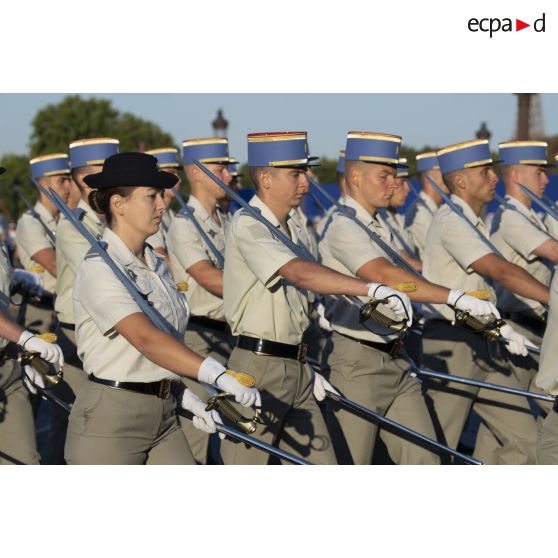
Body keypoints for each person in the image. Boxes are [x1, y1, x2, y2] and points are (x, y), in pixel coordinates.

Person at [220, 130, 412, 465]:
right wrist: (370, 288)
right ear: (265, 177)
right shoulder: (248, 224)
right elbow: (298, 273)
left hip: (299, 366)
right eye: (295, 174)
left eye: (305, 172)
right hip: (256, 367)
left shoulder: (297, 229)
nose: (306, 182)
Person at [65, 152, 260, 465]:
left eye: (161, 195)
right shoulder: (100, 268)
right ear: (119, 204)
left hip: (165, 412)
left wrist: (185, 397)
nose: (162, 204)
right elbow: (145, 339)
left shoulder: (156, 264)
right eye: (151, 196)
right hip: (112, 417)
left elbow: (168, 338)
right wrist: (216, 373)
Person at [318, 131, 498, 465]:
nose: (393, 183)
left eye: (393, 175)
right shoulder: (343, 226)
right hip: (357, 363)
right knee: (351, 463)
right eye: (384, 176)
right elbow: (387, 276)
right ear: (355, 177)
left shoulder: (376, 223)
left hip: (396, 359)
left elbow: (408, 282)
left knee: (427, 461)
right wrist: (455, 297)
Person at [421, 138, 550, 464]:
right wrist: (554, 299)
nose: (495, 177)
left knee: (524, 440)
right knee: (437, 447)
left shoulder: (471, 222)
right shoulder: (452, 221)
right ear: (461, 180)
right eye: (485, 171)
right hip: (453, 344)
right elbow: (500, 271)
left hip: (484, 339)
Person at [44, 138, 119, 464]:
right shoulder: (72, 224)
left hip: (111, 328)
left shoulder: (119, 216)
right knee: (76, 418)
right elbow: (107, 273)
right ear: (84, 180)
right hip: (77, 331)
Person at [166, 137, 236, 463]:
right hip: (200, 338)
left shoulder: (230, 221)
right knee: (199, 442)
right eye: (220, 167)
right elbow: (208, 278)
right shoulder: (184, 225)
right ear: (196, 173)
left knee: (236, 435)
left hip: (232, 334)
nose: (230, 174)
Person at [0, 164, 65, 465]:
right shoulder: (28, 223)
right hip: (28, 329)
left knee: (25, 460)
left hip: (6, 363)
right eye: (60, 180)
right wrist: (25, 339)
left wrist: (17, 351)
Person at [15, 154, 73, 333]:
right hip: (41, 312)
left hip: (66, 306)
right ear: (43, 184)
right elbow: (54, 265)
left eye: (69, 180)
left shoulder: (66, 220)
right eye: (62, 181)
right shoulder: (30, 222)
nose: (69, 186)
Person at [377, 157, 421, 270]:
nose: (408, 189)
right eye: (401, 183)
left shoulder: (399, 218)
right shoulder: (379, 219)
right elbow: (404, 261)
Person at [404, 151, 447, 260]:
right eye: (444, 173)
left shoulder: (434, 209)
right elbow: (440, 251)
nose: (449, 177)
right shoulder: (420, 212)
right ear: (431, 178)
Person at [145, 147, 181, 262]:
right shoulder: (150, 215)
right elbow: (159, 256)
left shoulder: (172, 215)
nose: (179, 180)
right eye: (171, 173)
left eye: (178, 174)